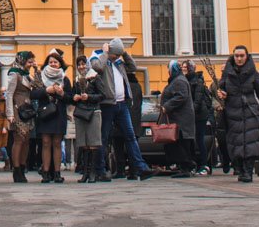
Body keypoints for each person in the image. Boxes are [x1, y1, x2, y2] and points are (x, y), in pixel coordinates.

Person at [91, 39, 152, 181]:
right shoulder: (99, 57)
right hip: (107, 104)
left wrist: (124, 52)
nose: (117, 57)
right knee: (103, 138)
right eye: (115, 54)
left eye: (118, 55)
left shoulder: (119, 62)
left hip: (122, 104)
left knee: (130, 136)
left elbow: (133, 67)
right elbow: (97, 67)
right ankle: (100, 170)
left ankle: (141, 168)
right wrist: (106, 53)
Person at [217, 45, 259, 183]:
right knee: (236, 142)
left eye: (241, 56)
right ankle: (240, 169)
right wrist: (222, 94)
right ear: (233, 56)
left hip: (250, 111)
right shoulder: (227, 72)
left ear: (247, 56)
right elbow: (221, 90)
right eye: (236, 56)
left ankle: (248, 171)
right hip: (233, 112)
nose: (239, 58)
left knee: (250, 142)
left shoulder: (253, 73)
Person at [31, 48, 71, 183]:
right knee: (46, 143)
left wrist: (62, 94)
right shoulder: (41, 77)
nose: (53, 64)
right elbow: (33, 94)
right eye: (51, 62)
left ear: (60, 64)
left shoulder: (65, 79)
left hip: (59, 113)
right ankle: (46, 172)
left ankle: (57, 173)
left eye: (56, 62)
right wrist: (45, 90)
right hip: (45, 113)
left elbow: (70, 98)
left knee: (57, 143)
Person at [4, 50, 37, 183]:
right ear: (22, 61)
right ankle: (16, 169)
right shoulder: (15, 73)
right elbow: (9, 94)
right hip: (18, 110)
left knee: (27, 141)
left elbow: (39, 86)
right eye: (29, 62)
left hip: (27, 111)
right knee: (19, 139)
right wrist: (10, 114)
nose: (31, 64)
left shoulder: (27, 75)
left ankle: (23, 168)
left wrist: (37, 70)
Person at [72, 55, 104, 183]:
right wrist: (74, 97)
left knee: (93, 143)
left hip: (93, 112)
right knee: (84, 144)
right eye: (79, 64)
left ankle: (92, 173)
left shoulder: (95, 77)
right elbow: (73, 95)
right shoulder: (77, 79)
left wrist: (88, 97)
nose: (81, 67)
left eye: (83, 64)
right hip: (81, 113)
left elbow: (102, 95)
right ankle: (85, 172)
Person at [160, 59, 196, 178]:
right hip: (178, 119)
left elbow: (181, 96)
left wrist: (167, 106)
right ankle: (184, 167)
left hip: (181, 120)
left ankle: (186, 167)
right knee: (178, 144)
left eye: (168, 69)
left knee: (181, 144)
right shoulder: (177, 80)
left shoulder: (179, 81)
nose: (168, 72)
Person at [183, 61, 213, 174]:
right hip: (192, 114)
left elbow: (198, 100)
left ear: (191, 68)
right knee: (192, 140)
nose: (183, 69)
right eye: (182, 67)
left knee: (199, 140)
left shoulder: (197, 81)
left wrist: (191, 112)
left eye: (185, 68)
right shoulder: (186, 80)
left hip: (199, 115)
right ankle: (194, 164)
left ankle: (204, 165)